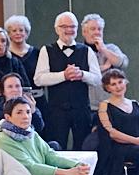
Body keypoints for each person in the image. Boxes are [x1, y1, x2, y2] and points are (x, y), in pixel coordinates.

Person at [34, 11, 102, 149]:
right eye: (64, 26)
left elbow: (97, 79)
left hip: (81, 108)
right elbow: (39, 79)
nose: (69, 30)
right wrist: (63, 75)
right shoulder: (46, 50)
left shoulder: (86, 51)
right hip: (56, 109)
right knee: (57, 147)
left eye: (72, 26)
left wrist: (82, 74)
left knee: (83, 147)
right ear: (57, 29)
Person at [81, 14, 129, 110]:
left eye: (99, 29)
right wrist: (104, 67)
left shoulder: (111, 48)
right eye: (93, 29)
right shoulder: (79, 51)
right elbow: (81, 73)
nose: (97, 32)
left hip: (111, 106)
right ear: (84, 32)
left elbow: (123, 63)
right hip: (86, 107)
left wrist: (104, 50)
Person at [4, 15, 40, 86]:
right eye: (14, 31)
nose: (18, 33)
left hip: (36, 92)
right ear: (9, 34)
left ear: (26, 33)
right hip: (13, 92)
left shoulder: (36, 53)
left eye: (21, 30)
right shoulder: (5, 54)